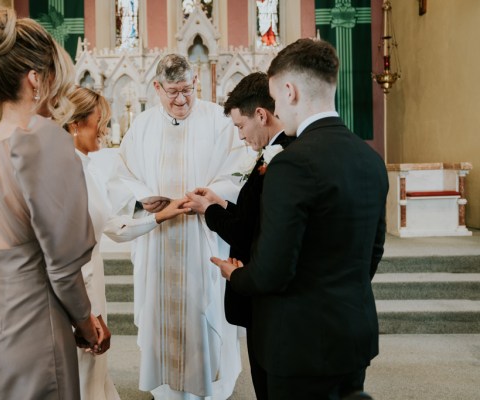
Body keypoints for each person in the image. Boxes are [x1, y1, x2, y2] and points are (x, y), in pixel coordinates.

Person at [210, 38, 388, 399]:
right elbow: (373, 250)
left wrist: (237, 274)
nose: (274, 108)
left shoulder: (291, 164)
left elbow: (273, 269)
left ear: (289, 92)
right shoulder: (368, 158)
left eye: (274, 99)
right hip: (354, 332)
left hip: (299, 342)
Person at [0, 3, 101, 399]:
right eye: (54, 79)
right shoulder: (44, 142)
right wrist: (86, 325)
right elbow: (63, 269)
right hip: (37, 323)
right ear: (36, 78)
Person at [108, 54, 244, 399]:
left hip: (204, 236)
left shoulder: (218, 120)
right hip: (159, 239)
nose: (182, 99)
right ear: (156, 87)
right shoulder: (142, 126)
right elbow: (121, 176)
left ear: (196, 81)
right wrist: (143, 199)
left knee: (205, 309)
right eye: (173, 92)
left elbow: (237, 172)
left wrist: (210, 197)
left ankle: (209, 389)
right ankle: (169, 390)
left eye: (187, 89)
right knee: (161, 317)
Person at [64, 87, 192, 400]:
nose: (105, 131)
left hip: (94, 280)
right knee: (78, 365)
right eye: (99, 122)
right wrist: (85, 313)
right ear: (74, 125)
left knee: (93, 368)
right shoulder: (62, 176)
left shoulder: (87, 171)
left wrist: (161, 216)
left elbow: (111, 226)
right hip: (76, 286)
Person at [184, 71, 294, 400]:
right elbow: (254, 213)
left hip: (265, 289)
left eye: (240, 127)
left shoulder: (282, 159)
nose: (240, 136)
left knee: (270, 379)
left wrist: (209, 211)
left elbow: (247, 228)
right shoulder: (271, 155)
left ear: (260, 115)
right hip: (264, 290)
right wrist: (220, 202)